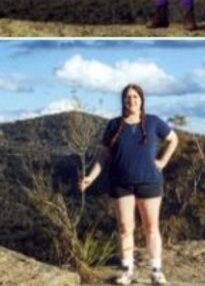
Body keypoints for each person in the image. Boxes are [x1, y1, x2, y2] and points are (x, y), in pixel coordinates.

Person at [78, 83, 179, 285]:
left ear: (141, 100)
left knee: (151, 227)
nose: (131, 100)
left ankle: (156, 271)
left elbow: (173, 139)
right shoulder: (114, 125)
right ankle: (127, 270)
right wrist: (90, 177)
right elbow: (103, 155)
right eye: (128, 97)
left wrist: (163, 161)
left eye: (135, 96)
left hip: (149, 182)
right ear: (123, 101)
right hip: (120, 184)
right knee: (125, 227)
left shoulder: (153, 122)